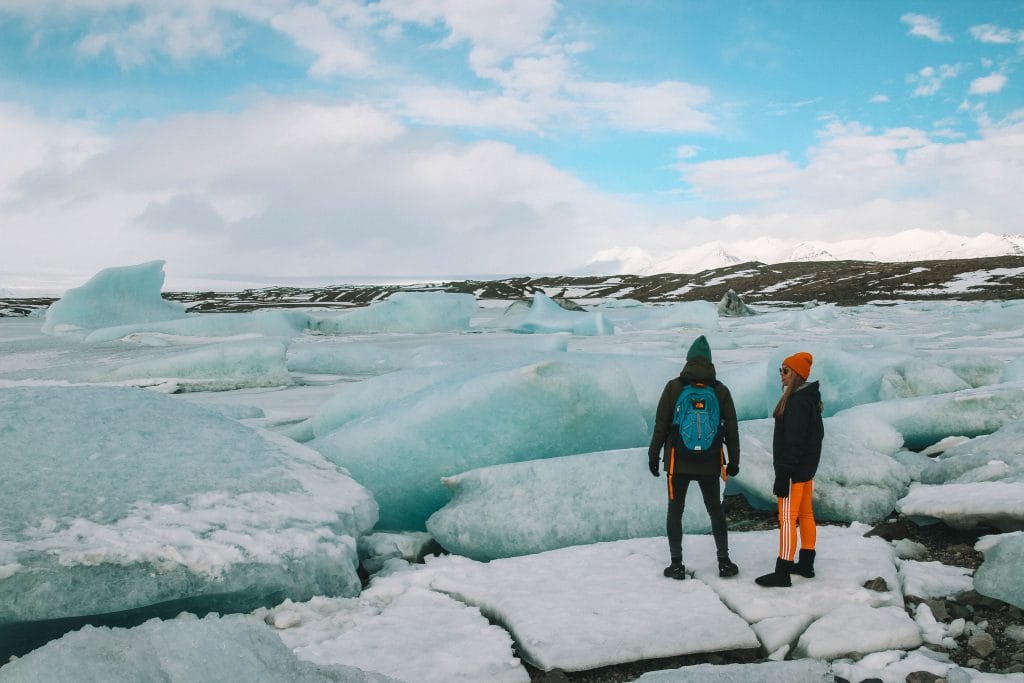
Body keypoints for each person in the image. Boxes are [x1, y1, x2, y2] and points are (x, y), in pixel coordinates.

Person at [648, 335, 740, 580]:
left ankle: (676, 564)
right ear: (710, 362)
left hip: (678, 462)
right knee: (715, 511)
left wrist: (653, 455)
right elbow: (731, 429)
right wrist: (734, 461)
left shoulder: (674, 387)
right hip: (710, 462)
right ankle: (724, 562)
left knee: (675, 512)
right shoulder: (720, 391)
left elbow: (661, 425)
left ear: (688, 360)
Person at [755, 351, 824, 588]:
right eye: (780, 370)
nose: (781, 375)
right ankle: (806, 563)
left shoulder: (796, 403)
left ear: (795, 374)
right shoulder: (810, 399)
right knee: (805, 514)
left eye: (785, 371)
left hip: (794, 472)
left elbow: (793, 443)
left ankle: (782, 571)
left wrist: (783, 474)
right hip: (805, 471)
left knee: (786, 518)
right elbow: (813, 440)